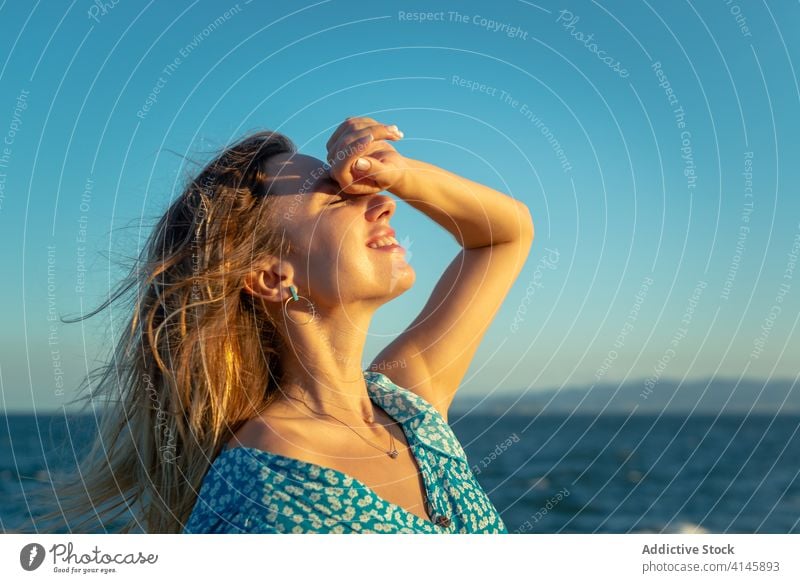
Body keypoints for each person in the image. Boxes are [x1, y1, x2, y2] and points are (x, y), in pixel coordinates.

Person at [43, 116, 534, 534]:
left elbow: (503, 235)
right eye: (336, 197)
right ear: (273, 277)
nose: (384, 202)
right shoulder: (260, 493)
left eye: (365, 188)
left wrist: (399, 172)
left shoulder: (407, 405)